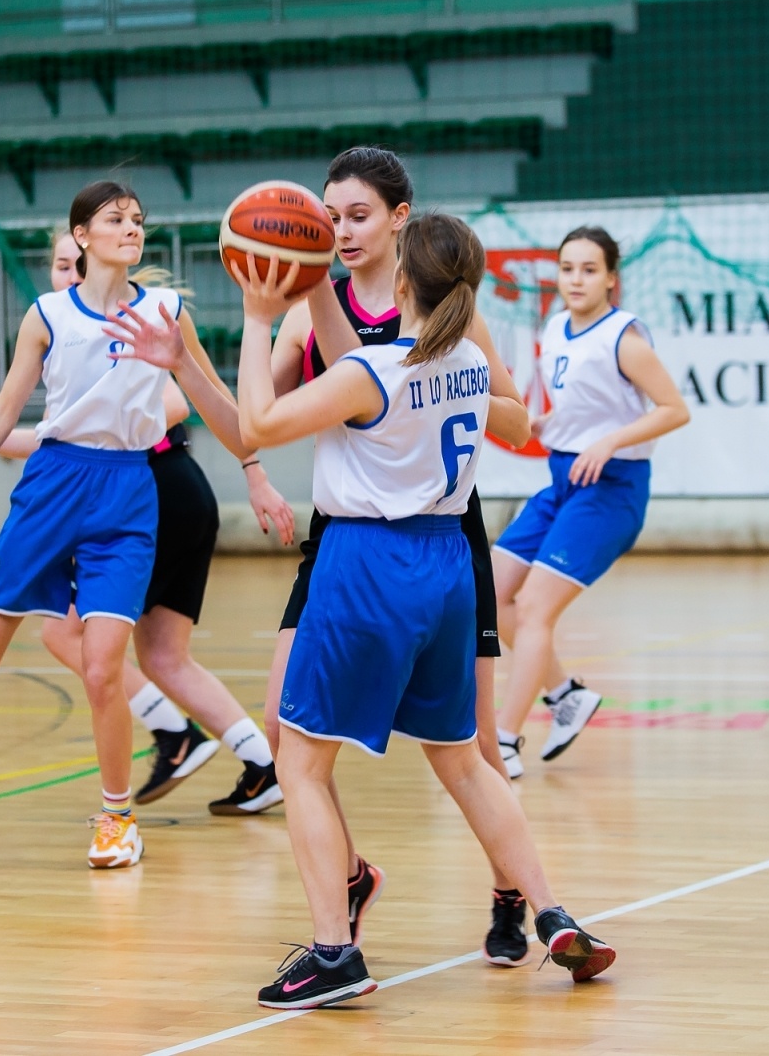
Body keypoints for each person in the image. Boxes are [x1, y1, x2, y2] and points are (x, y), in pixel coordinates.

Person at [109, 214, 615, 1009]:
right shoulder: (472, 365)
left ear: (402, 284)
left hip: (368, 568)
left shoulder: (373, 375)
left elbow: (260, 427)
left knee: (302, 763)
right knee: (464, 762)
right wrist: (199, 355)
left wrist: (252, 321)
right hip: (450, 564)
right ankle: (551, 910)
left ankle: (335, 952)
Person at [0, 180, 256, 869]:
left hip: (127, 493)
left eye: (138, 220)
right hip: (52, 488)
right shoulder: (48, 314)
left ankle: (116, 818)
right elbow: (2, 411)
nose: (132, 228)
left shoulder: (167, 312)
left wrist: (256, 473)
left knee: (103, 669)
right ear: (82, 235)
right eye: (116, 219)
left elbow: (212, 397)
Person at [262, 147, 540, 967]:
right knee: (287, 726)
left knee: (474, 747)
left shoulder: (446, 308)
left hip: (442, 531)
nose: (341, 231)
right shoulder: (309, 304)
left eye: (356, 215)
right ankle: (346, 879)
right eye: (329, 216)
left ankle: (510, 893)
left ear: (398, 217)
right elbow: (267, 408)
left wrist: (426, 395)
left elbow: (517, 414)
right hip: (344, 536)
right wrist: (253, 474)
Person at [492, 226, 690, 773]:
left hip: (612, 488)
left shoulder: (624, 337)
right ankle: (567, 696)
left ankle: (505, 739)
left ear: (611, 279)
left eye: (588, 269)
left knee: (533, 609)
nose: (576, 279)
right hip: (562, 479)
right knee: (490, 591)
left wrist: (610, 440)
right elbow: (588, 406)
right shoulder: (556, 327)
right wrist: (546, 421)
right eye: (568, 268)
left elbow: (674, 409)